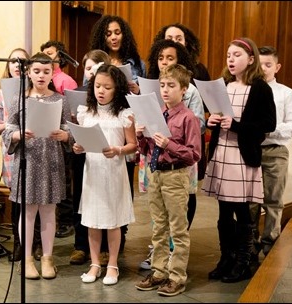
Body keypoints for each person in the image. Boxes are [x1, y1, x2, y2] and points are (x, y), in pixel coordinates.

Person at [202, 38, 276, 283]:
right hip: (222, 153)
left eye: (236, 55)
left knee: (242, 211)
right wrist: (211, 120)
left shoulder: (260, 88)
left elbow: (268, 124)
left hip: (242, 156)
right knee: (223, 212)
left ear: (251, 59)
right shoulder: (223, 84)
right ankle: (226, 258)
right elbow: (215, 113)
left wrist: (237, 126)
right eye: (228, 55)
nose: (231, 60)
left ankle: (243, 261)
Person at [1, 52, 72, 280]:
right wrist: (17, 136)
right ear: (28, 73)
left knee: (49, 210)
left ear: (53, 73)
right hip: (28, 159)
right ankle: (29, 258)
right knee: (28, 211)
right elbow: (8, 128)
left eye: (46, 71)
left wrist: (65, 135)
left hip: (51, 159)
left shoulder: (60, 99)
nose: (41, 75)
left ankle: (48, 258)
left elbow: (68, 127)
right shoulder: (19, 99)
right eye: (37, 71)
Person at [135, 64, 201, 297]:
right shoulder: (158, 114)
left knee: (178, 229)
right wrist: (141, 136)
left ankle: (177, 276)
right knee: (159, 227)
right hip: (155, 173)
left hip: (175, 175)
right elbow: (145, 149)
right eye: (162, 85)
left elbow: (194, 154)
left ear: (184, 89)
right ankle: (159, 271)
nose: (165, 90)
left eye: (171, 86)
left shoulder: (188, 117)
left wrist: (169, 144)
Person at [73, 64, 137, 286]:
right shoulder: (86, 112)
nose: (101, 90)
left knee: (112, 221)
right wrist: (78, 147)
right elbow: (81, 140)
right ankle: (94, 264)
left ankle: (112, 264)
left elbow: (133, 145)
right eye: (98, 86)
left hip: (113, 171)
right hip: (92, 172)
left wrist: (118, 150)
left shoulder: (124, 114)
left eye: (107, 87)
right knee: (92, 220)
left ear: (116, 89)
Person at [88, 14, 147, 252]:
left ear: (124, 34)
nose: (113, 37)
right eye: (108, 33)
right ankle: (93, 247)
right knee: (95, 191)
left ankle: (117, 240)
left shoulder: (136, 62)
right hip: (100, 119)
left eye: (117, 32)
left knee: (121, 185)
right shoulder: (96, 60)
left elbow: (145, 96)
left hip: (125, 121)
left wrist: (136, 88)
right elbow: (89, 91)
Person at [154, 22, 211, 224]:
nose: (164, 62)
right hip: (157, 153)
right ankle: (159, 247)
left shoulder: (190, 90)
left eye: (170, 58)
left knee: (184, 198)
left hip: (181, 154)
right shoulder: (154, 86)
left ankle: (177, 243)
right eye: (161, 58)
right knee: (157, 204)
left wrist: (175, 130)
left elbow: (199, 124)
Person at [249, 46, 292, 259]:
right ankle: (250, 246)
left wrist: (271, 128)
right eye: (259, 65)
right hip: (251, 150)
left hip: (275, 150)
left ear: (277, 67)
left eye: (268, 65)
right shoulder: (249, 89)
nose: (262, 69)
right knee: (250, 201)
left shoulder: (285, 93)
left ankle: (271, 244)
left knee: (273, 199)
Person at [69, 49, 112, 266]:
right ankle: (80, 245)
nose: (91, 73)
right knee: (81, 199)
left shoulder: (113, 96)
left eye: (95, 69)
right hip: (82, 153)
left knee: (104, 198)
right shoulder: (77, 93)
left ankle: (105, 248)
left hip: (106, 155)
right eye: (87, 69)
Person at [0, 48, 34, 262]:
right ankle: (19, 243)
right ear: (8, 66)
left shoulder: (34, 90)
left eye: (22, 61)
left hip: (34, 149)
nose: (18, 65)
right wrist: (10, 128)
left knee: (34, 198)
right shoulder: (2, 93)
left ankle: (34, 244)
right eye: (13, 62)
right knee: (17, 200)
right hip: (12, 149)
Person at [41, 40, 78, 239]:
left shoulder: (66, 80)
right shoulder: (39, 78)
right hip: (42, 136)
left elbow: (71, 113)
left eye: (50, 53)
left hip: (59, 135)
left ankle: (65, 221)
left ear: (60, 56)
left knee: (63, 180)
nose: (46, 56)